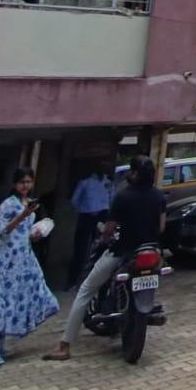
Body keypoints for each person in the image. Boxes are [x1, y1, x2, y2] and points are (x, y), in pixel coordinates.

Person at [43, 154, 165, 362]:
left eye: (131, 170)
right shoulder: (159, 196)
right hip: (151, 251)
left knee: (86, 290)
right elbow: (161, 227)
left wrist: (104, 239)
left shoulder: (123, 197)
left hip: (123, 252)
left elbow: (109, 229)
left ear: (135, 173)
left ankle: (65, 345)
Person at [0, 168, 59, 366]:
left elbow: (24, 232)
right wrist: (22, 216)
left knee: (35, 292)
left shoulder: (29, 203)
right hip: (5, 260)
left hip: (24, 258)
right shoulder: (8, 204)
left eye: (28, 182)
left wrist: (35, 233)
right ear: (14, 184)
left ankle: (0, 341)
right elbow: (1, 231)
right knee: (1, 304)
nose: (25, 186)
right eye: (22, 182)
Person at [67, 164, 114, 289]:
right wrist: (85, 209)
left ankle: (98, 280)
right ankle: (73, 282)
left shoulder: (108, 182)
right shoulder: (85, 183)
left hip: (103, 216)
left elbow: (112, 199)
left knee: (102, 247)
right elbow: (75, 201)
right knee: (81, 250)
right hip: (86, 216)